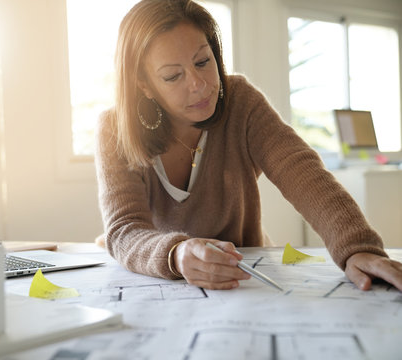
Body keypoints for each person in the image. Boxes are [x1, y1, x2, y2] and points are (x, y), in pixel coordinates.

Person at [94, 0, 402, 291]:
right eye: (173, 76)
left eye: (203, 61)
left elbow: (301, 171)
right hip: (163, 286)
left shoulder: (241, 101)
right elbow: (124, 230)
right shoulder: (113, 129)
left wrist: (357, 248)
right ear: (143, 85)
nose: (199, 84)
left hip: (247, 279)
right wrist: (175, 254)